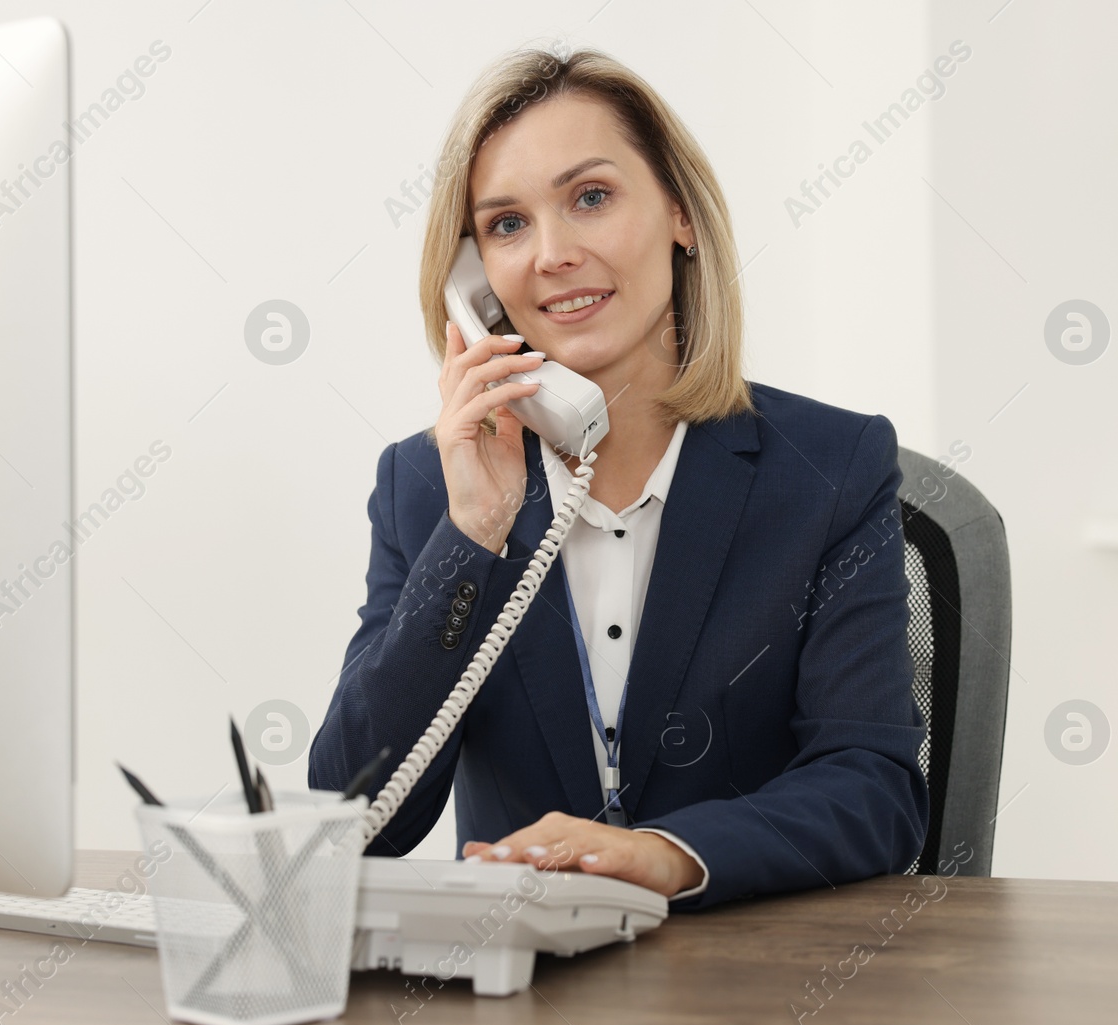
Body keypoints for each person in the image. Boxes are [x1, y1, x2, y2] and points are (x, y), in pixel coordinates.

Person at [308, 44, 928, 910]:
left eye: (590, 198)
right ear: (473, 285)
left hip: (759, 994)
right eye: (506, 224)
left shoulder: (829, 467)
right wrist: (473, 535)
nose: (552, 254)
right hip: (525, 1007)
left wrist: (664, 855)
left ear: (678, 213)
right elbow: (353, 816)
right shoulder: (426, 485)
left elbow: (875, 789)